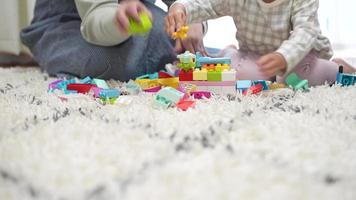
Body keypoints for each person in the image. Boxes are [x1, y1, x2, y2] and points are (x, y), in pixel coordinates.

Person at [165, 0, 356, 86]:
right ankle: (229, 54)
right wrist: (181, 7)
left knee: (312, 75)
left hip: (302, 56)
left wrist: (283, 56)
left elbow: (305, 32)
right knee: (241, 75)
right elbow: (206, 5)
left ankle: (338, 66)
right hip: (255, 55)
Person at [20, 0, 207, 81]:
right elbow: (95, 16)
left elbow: (192, 4)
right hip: (68, 23)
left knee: (163, 33)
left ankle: (155, 54)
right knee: (113, 60)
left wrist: (193, 17)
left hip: (134, 14)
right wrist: (117, 23)